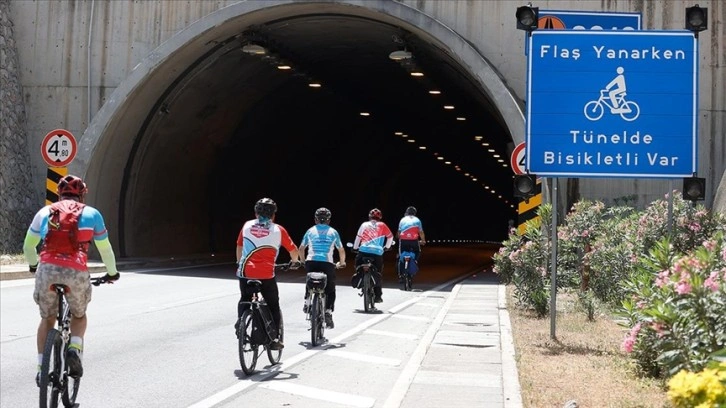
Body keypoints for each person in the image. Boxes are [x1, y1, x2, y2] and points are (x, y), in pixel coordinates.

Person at [23, 175, 119, 385]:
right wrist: (112, 273)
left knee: (47, 319)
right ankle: (74, 348)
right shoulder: (93, 214)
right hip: (75, 270)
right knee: (79, 315)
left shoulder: (44, 212)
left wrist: (33, 266)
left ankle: (41, 369)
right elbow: (106, 249)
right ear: (82, 195)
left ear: (58, 193)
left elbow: (28, 247)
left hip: (47, 269)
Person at [235, 197, 301, 350]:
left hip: (245, 272)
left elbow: (239, 246)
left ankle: (241, 322)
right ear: (273, 215)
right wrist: (295, 262)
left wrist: (239, 263)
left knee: (245, 298)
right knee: (273, 305)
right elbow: (293, 250)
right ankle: (274, 339)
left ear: (256, 213)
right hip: (265, 275)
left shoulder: (246, 225)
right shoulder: (278, 230)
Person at [298, 207, 346, 329]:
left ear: (315, 220)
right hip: (327, 263)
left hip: (311, 261)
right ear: (329, 221)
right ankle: (328, 312)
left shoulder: (310, 231)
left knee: (310, 281)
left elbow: (301, 248)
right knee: (330, 288)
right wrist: (342, 262)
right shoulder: (333, 232)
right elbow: (341, 250)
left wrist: (303, 262)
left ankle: (307, 301)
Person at [352, 208, 394, 303]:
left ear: (369, 216)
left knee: (358, 265)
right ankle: (378, 296)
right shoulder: (382, 225)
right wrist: (386, 247)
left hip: (363, 250)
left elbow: (358, 237)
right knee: (378, 273)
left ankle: (361, 278)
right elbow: (390, 237)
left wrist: (355, 248)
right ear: (380, 217)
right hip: (377, 252)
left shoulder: (364, 224)